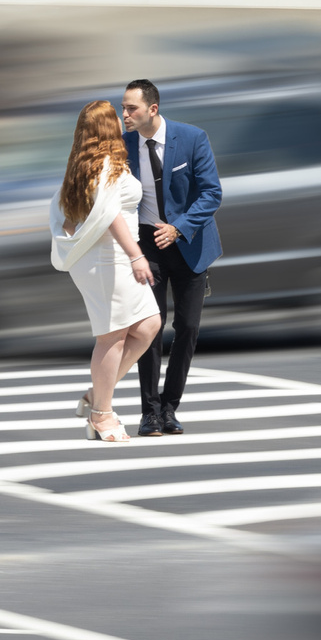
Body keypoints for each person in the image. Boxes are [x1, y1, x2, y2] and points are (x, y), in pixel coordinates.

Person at [46, 98, 162, 443]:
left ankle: (97, 394)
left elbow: (69, 216)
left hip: (100, 258)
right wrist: (136, 255)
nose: (125, 118)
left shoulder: (84, 166)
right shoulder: (106, 165)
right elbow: (111, 215)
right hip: (109, 258)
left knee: (149, 324)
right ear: (108, 127)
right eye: (118, 116)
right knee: (114, 334)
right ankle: (101, 414)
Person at [120, 78, 223, 437]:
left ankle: (169, 406)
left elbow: (212, 193)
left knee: (188, 328)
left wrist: (178, 227)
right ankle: (149, 411)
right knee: (148, 328)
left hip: (189, 241)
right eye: (123, 107)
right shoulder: (123, 144)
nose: (125, 115)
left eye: (131, 108)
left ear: (153, 109)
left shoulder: (192, 138)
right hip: (147, 245)